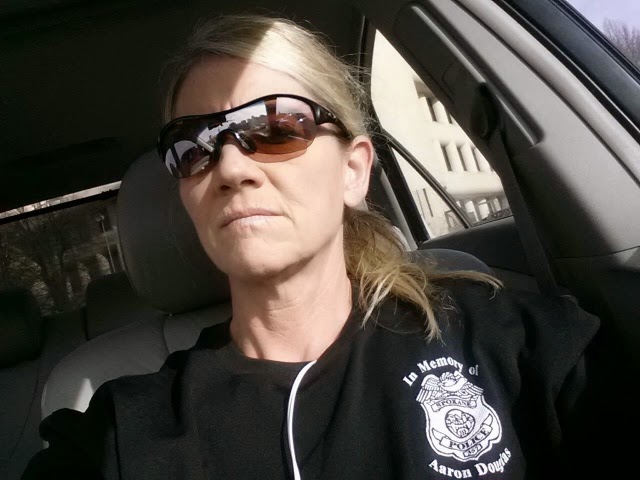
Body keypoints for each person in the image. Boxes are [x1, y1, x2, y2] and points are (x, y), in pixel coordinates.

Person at [22, 13, 622, 480]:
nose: (230, 167)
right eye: (193, 146)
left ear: (353, 171)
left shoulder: (504, 340)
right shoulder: (123, 433)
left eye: (275, 128)